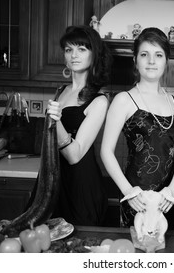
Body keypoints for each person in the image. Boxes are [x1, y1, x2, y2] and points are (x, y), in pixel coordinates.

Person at [100, 27, 174, 227]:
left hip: (168, 200)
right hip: (137, 199)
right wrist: (128, 191)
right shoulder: (124, 100)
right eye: (144, 54)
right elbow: (106, 151)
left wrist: (173, 189)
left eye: (158, 55)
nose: (151, 61)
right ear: (135, 60)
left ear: (166, 61)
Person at [46, 25, 113, 226]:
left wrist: (55, 121)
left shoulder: (99, 100)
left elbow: (74, 155)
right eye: (69, 49)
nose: (74, 55)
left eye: (82, 49)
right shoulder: (61, 91)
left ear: (94, 55)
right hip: (55, 180)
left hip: (80, 185)